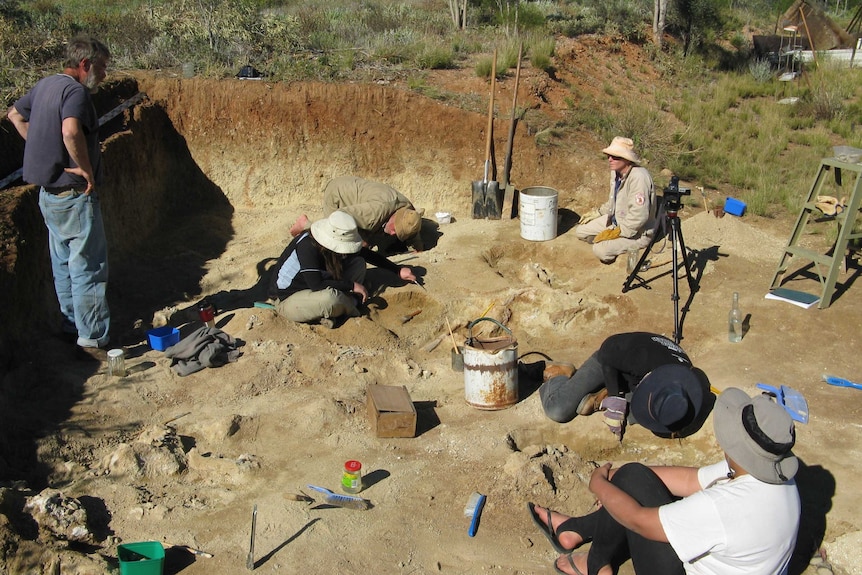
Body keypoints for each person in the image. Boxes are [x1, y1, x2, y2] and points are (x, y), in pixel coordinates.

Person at [527, 387, 801, 575]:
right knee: (630, 478)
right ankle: (575, 529)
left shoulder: (723, 507)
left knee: (628, 493)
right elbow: (691, 479)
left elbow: (638, 519)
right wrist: (619, 480)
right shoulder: (772, 478)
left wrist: (599, 484)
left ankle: (595, 562)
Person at [7, 35, 112, 360]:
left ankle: (72, 329)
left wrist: (44, 149)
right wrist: (83, 169)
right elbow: (70, 131)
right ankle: (92, 339)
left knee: (63, 264)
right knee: (88, 266)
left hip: (48, 194)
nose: (104, 75)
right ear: (85, 64)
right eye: (102, 67)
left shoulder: (45, 86)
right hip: (72, 193)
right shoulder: (75, 92)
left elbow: (14, 115)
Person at [539, 332, 710, 441]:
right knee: (558, 410)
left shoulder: (685, 388)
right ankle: (560, 373)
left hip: (637, 378)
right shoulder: (640, 357)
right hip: (610, 360)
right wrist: (615, 397)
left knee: (640, 416)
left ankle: (606, 394)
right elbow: (609, 347)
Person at [269, 211, 417, 328]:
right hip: (288, 299)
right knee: (330, 299)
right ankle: (352, 304)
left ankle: (341, 307)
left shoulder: (330, 242)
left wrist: (397, 270)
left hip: (315, 286)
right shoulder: (307, 247)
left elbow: (365, 254)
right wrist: (352, 285)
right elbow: (316, 284)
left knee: (358, 263)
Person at [290, 176, 423, 254]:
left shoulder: (407, 210)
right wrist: (358, 240)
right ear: (395, 217)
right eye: (395, 229)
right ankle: (305, 224)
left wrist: (417, 246)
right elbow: (340, 216)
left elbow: (411, 226)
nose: (394, 233)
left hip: (357, 194)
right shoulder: (374, 212)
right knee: (335, 243)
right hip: (338, 196)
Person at [576, 137, 657, 264]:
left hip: (636, 232)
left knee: (600, 250)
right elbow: (613, 201)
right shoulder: (616, 173)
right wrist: (598, 212)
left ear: (627, 159)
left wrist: (617, 232)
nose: (610, 159)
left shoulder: (639, 178)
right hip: (616, 220)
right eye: (609, 156)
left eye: (615, 156)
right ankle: (607, 241)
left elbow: (639, 217)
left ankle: (613, 246)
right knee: (581, 231)